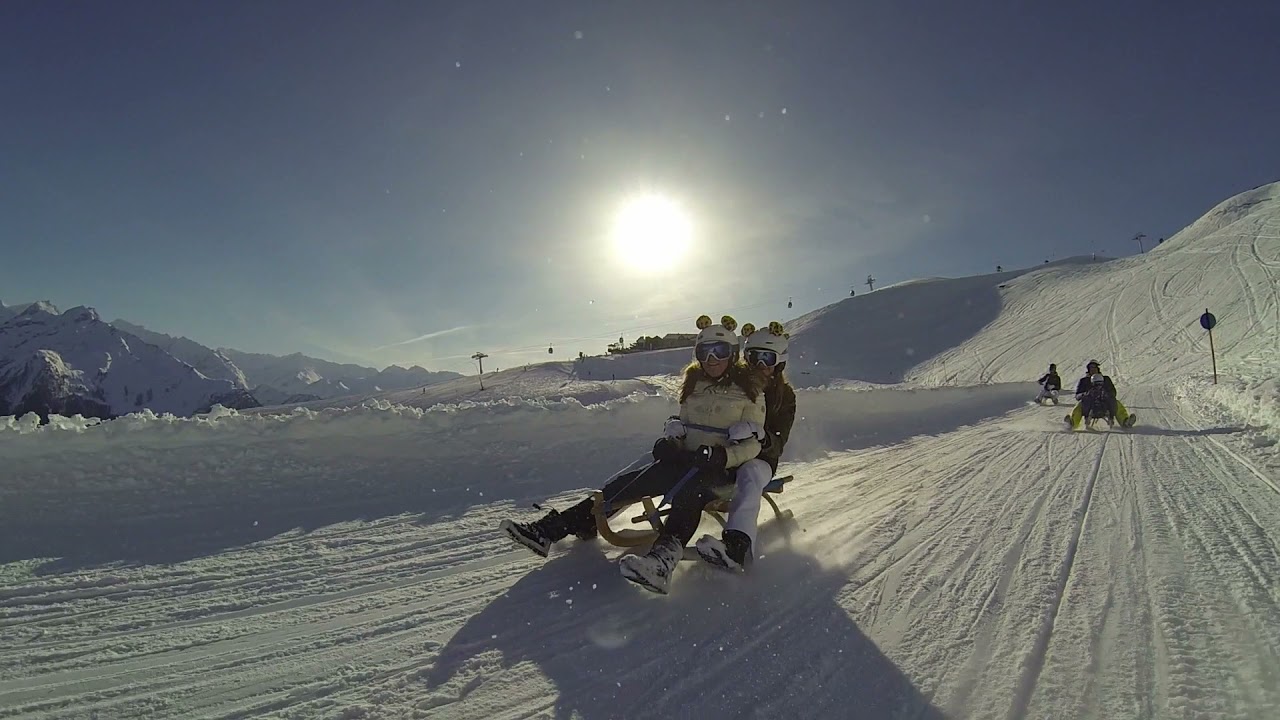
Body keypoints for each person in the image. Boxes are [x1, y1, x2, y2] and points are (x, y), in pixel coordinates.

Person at [499, 314, 766, 594]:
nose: (712, 358)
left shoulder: (750, 392)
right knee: (627, 484)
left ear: (733, 354)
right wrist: (672, 440)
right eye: (704, 352)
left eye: (720, 352)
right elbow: (683, 425)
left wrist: (723, 456)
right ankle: (550, 530)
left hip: (721, 472)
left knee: (691, 495)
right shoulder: (693, 386)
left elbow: (752, 444)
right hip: (686, 461)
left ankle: (662, 562)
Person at [695, 321, 797, 572]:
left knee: (749, 473)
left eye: (767, 358)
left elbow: (778, 443)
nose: (760, 366)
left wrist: (761, 435)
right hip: (723, 453)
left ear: (779, 362)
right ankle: (594, 510)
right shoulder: (733, 382)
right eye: (754, 357)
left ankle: (736, 548)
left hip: (761, 459)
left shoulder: (784, 396)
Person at [1065, 360, 1136, 429]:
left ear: (1098, 369)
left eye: (1094, 368)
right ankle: (1072, 423)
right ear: (1088, 370)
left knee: (1116, 403)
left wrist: (1107, 394)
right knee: (1079, 405)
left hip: (1105, 403)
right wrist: (1085, 394)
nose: (1093, 370)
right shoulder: (1084, 381)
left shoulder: (1106, 379)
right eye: (1091, 368)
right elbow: (1077, 396)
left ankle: (1125, 421)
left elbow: (1113, 392)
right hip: (1088, 404)